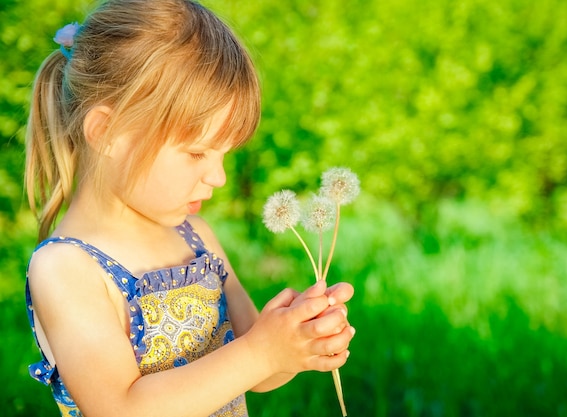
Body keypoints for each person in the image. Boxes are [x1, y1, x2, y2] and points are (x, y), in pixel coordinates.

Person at [23, 1, 355, 416]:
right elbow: (119, 409)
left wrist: (295, 337)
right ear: (107, 132)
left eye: (224, 154)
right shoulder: (66, 268)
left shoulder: (196, 236)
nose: (219, 177)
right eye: (197, 153)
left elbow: (259, 372)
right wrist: (261, 353)